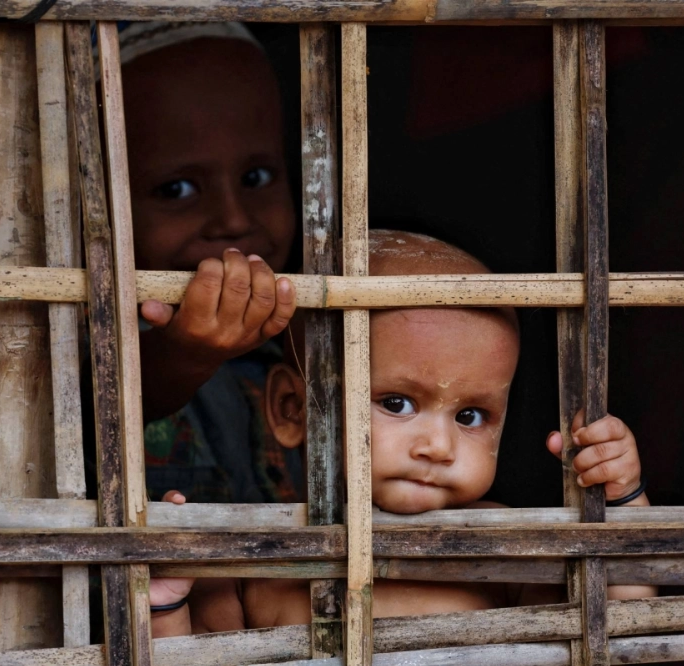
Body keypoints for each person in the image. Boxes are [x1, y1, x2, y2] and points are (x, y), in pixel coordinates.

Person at [147, 230, 654, 635]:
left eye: (470, 416)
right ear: (291, 409)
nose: (439, 447)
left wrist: (622, 498)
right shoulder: (244, 560)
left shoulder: (506, 546)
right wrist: (166, 603)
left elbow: (616, 628)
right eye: (396, 403)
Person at [84, 22, 304, 506]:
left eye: (257, 176)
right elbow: (96, 407)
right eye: (176, 190)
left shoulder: (307, 343)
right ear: (90, 203)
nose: (233, 218)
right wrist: (183, 356)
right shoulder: (61, 343)